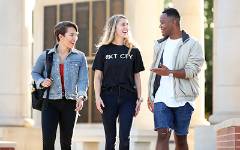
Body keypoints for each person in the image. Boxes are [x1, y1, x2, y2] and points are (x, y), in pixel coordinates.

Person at [148, 8, 204, 150]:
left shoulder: (193, 44)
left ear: (175, 22)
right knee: (162, 134)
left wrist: (170, 73)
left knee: (180, 139)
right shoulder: (159, 44)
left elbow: (191, 71)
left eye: (163, 23)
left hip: (183, 98)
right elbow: (154, 73)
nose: (160, 26)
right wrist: (150, 95)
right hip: (161, 97)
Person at [31, 21, 88, 150]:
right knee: (48, 143)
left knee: (66, 143)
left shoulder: (80, 57)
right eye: (71, 35)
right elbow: (35, 72)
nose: (75, 38)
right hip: (49, 102)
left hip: (70, 103)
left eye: (76, 35)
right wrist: (42, 81)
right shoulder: (46, 55)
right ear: (60, 36)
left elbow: (83, 80)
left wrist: (81, 96)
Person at [92, 14, 145, 150]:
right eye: (122, 24)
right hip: (108, 97)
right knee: (110, 140)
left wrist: (139, 98)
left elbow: (137, 77)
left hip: (128, 98)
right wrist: (97, 97)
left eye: (127, 24)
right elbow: (98, 77)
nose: (126, 27)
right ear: (113, 27)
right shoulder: (103, 50)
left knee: (124, 139)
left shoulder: (133, 51)